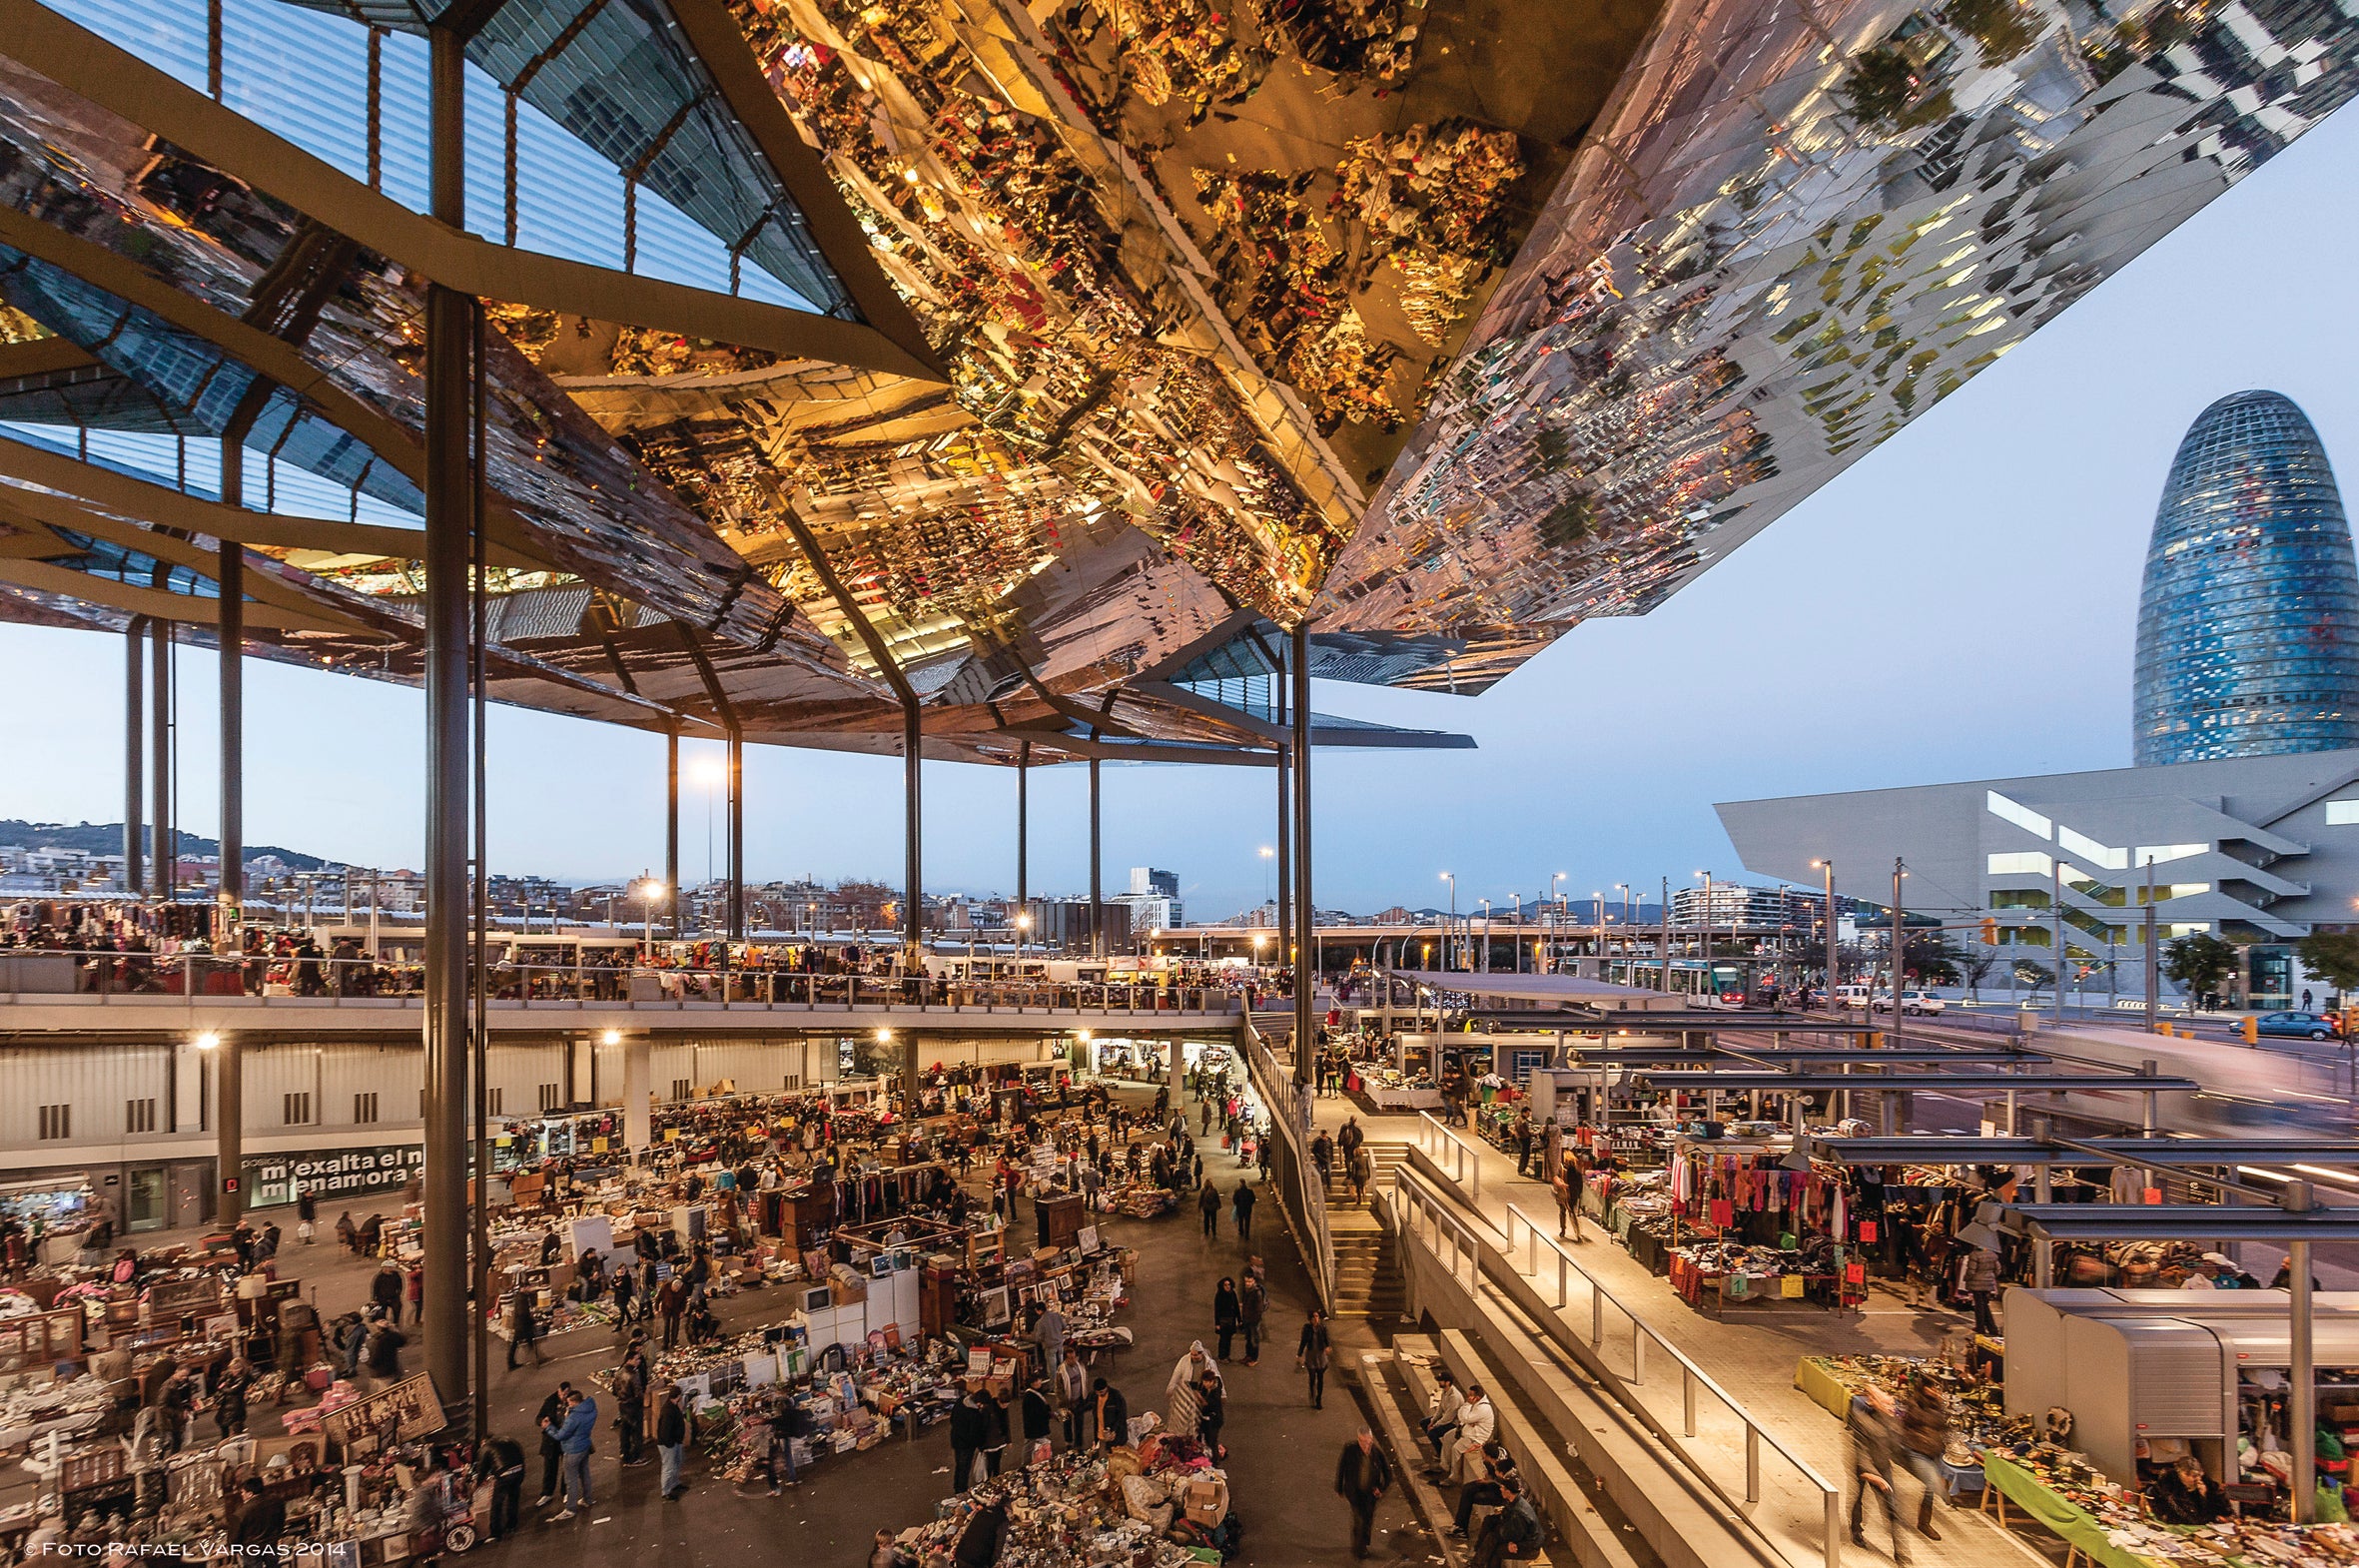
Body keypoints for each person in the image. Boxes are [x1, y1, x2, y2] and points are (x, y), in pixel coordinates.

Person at [1848, 1387, 1908, 1562]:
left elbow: (1896, 1447)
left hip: (1883, 1467)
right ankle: (1856, 1529)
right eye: (1886, 1403)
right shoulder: (1862, 1421)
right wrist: (1871, 1475)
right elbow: (1862, 1453)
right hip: (1865, 1468)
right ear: (1873, 1403)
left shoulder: (1892, 1421)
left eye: (1891, 1403)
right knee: (1858, 1497)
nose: (1891, 1406)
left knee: (1892, 1508)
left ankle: (1901, 1553)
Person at [1898, 1371, 1950, 1541]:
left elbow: (1941, 1426)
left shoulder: (1937, 1404)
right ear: (1924, 1388)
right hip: (1917, 1449)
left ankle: (1924, 1522)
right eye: (1932, 1387)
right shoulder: (1915, 1404)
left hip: (1933, 1450)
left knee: (1929, 1490)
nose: (1936, 1390)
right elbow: (1913, 1422)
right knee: (1931, 1482)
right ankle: (1942, 1497)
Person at [1334, 1425, 1392, 1559]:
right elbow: (1342, 1467)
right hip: (1355, 1492)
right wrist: (1339, 1487)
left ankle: (1362, 1543)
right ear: (1358, 1439)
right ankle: (1359, 1546)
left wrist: (1381, 1488)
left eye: (1368, 1442)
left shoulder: (1376, 1453)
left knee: (1367, 1519)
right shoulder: (1350, 1450)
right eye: (1363, 1441)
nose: (1366, 1445)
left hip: (1370, 1494)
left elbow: (1388, 1472)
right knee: (1359, 1518)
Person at [546, 1385, 598, 1519]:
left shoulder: (574, 1417)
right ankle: (588, 1499)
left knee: (571, 1481)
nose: (567, 1405)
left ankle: (571, 1508)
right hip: (585, 1445)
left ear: (574, 1402)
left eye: (569, 1403)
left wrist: (549, 1427)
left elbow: (560, 1435)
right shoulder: (591, 1409)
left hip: (572, 1450)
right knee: (585, 1474)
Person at [1450, 1440, 1518, 1537]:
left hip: (1501, 1492)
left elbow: (1506, 1485)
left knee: (1474, 1497)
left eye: (1484, 1455)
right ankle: (1459, 1526)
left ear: (1489, 1456)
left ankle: (1461, 1529)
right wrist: (1489, 1479)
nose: (1482, 1456)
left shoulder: (1503, 1466)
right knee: (1468, 1488)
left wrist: (1492, 1481)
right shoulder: (1492, 1458)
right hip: (1494, 1482)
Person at [1473, 1476, 1543, 1568]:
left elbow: (1517, 1534)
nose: (1500, 1489)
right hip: (1521, 1538)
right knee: (1491, 1531)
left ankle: (1477, 1564)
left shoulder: (1518, 1513)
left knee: (1494, 1549)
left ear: (1508, 1491)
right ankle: (1477, 1560)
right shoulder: (1515, 1501)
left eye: (1502, 1487)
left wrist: (1513, 1543)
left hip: (1528, 1548)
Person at [2147, 1454, 2230, 1525]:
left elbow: (2225, 1511)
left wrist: (2205, 1496)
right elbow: (2165, 1510)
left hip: (2206, 1526)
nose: (2197, 1479)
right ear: (2181, 1473)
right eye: (2192, 1476)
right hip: (2176, 1526)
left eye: (2199, 1475)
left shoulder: (2208, 1485)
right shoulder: (2167, 1485)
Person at [475, 1431, 526, 1541]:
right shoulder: (508, 1441)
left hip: (504, 1474)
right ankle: (512, 1525)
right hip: (519, 1470)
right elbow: (521, 1454)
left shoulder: (486, 1447)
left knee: (497, 1503)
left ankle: (495, 1532)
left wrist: (478, 1484)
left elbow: (482, 1468)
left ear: (483, 1442)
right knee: (513, 1498)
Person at [1442, 1385, 1497, 1483]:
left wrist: (1467, 1407)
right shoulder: (1474, 1403)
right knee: (1447, 1437)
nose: (1468, 1397)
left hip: (1475, 1437)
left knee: (1456, 1449)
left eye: (1471, 1395)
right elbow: (1461, 1415)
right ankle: (1445, 1465)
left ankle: (1454, 1477)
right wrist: (1467, 1417)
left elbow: (1465, 1418)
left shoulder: (1483, 1408)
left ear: (1478, 1397)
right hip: (1466, 1430)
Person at [533, 1382, 572, 1506]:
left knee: (566, 1467)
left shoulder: (572, 1400)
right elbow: (538, 1418)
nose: (565, 1397)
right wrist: (542, 1422)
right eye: (563, 1394)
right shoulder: (550, 1401)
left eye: (567, 1394)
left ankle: (565, 1491)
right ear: (558, 1391)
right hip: (551, 1441)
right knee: (550, 1467)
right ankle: (547, 1493)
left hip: (566, 1439)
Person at [951, 1382, 991, 1491]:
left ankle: (957, 1487)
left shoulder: (960, 1402)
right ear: (979, 1403)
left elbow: (952, 1419)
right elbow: (974, 1434)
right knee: (964, 1468)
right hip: (966, 1445)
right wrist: (979, 1445)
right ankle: (961, 1491)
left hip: (955, 1439)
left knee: (959, 1465)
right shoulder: (975, 1414)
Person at [229, 1477, 285, 1551]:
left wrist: (238, 1550)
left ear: (250, 1494)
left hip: (251, 1551)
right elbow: (281, 1521)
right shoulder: (277, 1501)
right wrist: (278, 1536)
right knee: (274, 1563)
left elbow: (233, 1540)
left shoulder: (240, 1513)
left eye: (242, 1492)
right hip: (272, 1544)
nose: (241, 1495)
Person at [954, 1495, 1009, 1568]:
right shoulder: (1002, 1520)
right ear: (1006, 1508)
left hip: (961, 1554)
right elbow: (999, 1545)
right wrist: (990, 1564)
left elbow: (967, 1531)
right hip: (977, 1561)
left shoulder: (982, 1512)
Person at [1958, 1244, 2000, 1335]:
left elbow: (1971, 1271)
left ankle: (1980, 1327)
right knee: (1985, 1304)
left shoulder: (1974, 1255)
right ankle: (1992, 1328)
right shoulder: (1992, 1255)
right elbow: (1998, 1270)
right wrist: (1990, 1277)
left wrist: (1966, 1278)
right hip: (1988, 1283)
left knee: (1979, 1306)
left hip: (1976, 1283)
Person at [656, 1387, 690, 1500]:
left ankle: (674, 1484)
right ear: (678, 1396)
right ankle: (665, 1491)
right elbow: (665, 1430)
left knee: (677, 1462)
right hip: (669, 1445)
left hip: (675, 1442)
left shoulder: (672, 1406)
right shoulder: (668, 1410)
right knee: (669, 1467)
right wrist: (670, 1444)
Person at [1298, 1309, 1331, 1408]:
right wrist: (1299, 1354)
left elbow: (1326, 1339)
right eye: (1314, 1318)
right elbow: (1303, 1342)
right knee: (1312, 1377)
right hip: (1311, 1355)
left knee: (1320, 1378)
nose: (1316, 1319)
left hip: (1320, 1356)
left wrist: (1328, 1346)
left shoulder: (1323, 1328)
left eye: (1317, 1317)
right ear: (1310, 1320)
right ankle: (1312, 1393)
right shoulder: (1307, 1329)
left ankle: (1318, 1399)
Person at [507, 1290, 544, 1370]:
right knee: (529, 1341)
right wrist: (532, 1321)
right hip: (523, 1325)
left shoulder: (520, 1297)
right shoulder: (522, 1299)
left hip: (520, 1324)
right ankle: (537, 1359)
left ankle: (511, 1362)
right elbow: (523, 1313)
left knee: (520, 1343)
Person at [1195, 1368, 1225, 1458]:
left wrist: (1198, 1396)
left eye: (1208, 1382)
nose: (1205, 1384)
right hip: (1204, 1418)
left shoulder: (1216, 1392)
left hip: (1214, 1420)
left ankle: (1215, 1461)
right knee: (1199, 1437)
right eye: (1204, 1382)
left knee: (1212, 1441)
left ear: (1212, 1381)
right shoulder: (1204, 1387)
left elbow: (1207, 1403)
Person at [1093, 1377, 1129, 1450]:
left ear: (1106, 1388)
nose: (1100, 1394)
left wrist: (1114, 1430)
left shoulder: (1116, 1396)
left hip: (1116, 1435)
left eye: (1102, 1392)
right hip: (1102, 1435)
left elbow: (1122, 1415)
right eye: (1098, 1392)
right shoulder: (1094, 1396)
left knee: (1116, 1455)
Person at [1213, 1277, 1242, 1361]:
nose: (1227, 1286)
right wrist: (1217, 1323)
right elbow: (1217, 1310)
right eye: (1225, 1285)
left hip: (1231, 1320)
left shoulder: (1233, 1294)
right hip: (1223, 1320)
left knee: (1229, 1339)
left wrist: (1239, 1320)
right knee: (1223, 1339)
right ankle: (1222, 1356)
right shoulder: (1219, 1295)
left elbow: (1236, 1307)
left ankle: (1227, 1355)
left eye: (1229, 1285)